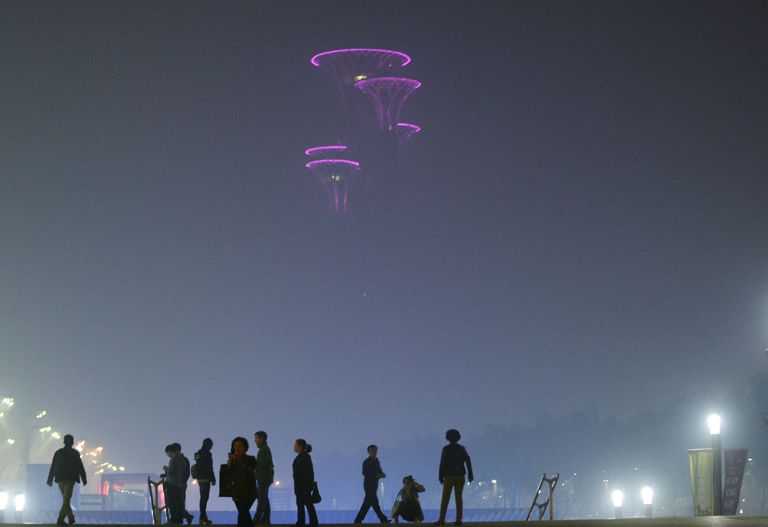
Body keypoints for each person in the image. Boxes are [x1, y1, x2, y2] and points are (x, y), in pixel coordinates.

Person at [434, 430, 473, 527]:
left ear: (448, 438)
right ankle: (458, 519)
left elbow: (442, 464)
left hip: (449, 476)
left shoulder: (446, 449)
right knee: (458, 498)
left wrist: (440, 476)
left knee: (445, 498)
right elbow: (468, 461)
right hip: (460, 475)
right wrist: (470, 474)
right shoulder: (462, 449)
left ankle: (442, 519)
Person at [46, 434, 87, 526]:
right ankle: (61, 519)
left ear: (64, 442)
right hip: (70, 479)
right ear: (72, 443)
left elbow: (53, 466)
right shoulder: (75, 453)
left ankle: (70, 517)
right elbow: (80, 467)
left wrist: (50, 479)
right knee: (66, 499)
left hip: (60, 478)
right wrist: (84, 479)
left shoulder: (58, 453)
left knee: (66, 499)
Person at [354, 445, 391, 524]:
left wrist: (381, 474)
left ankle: (358, 520)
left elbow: (379, 470)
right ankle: (382, 519)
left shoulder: (377, 461)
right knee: (374, 502)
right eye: (372, 451)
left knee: (367, 503)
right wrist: (376, 475)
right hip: (368, 484)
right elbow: (365, 473)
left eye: (375, 450)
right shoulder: (366, 462)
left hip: (374, 485)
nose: (374, 452)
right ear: (369, 452)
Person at [228, 437, 258, 527]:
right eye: (235, 446)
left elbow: (250, 471)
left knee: (242, 513)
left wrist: (239, 459)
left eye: (239, 446)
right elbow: (228, 473)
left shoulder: (251, 459)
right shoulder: (233, 461)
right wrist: (230, 460)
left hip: (249, 491)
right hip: (237, 492)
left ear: (245, 448)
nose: (237, 448)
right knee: (244, 515)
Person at [292, 439, 318, 527]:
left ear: (300, 447)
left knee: (301, 504)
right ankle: (313, 521)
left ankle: (301, 522)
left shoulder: (300, 458)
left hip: (301, 485)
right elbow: (310, 471)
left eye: (296, 445)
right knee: (308, 503)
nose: (294, 447)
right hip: (306, 485)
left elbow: (302, 472)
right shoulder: (306, 457)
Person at [252, 431, 274, 525]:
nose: (255, 440)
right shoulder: (264, 449)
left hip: (263, 477)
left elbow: (262, 464)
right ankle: (265, 518)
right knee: (264, 497)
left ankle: (258, 516)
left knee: (261, 497)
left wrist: (254, 467)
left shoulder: (264, 450)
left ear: (261, 439)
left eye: (256, 438)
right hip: (265, 477)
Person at [194, 438, 216, 525]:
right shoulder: (207, 454)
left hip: (199, 478)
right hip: (206, 478)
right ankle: (202, 516)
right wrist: (213, 479)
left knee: (202, 497)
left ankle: (202, 516)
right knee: (205, 497)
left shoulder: (198, 453)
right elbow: (210, 467)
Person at [164, 444, 186, 524]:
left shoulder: (174, 459)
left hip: (172, 484)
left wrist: (166, 469)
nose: (167, 455)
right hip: (178, 483)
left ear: (170, 452)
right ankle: (179, 520)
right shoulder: (182, 459)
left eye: (167, 453)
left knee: (172, 502)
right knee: (178, 502)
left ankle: (173, 519)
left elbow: (171, 471)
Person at [177, 443, 195, 525]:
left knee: (178, 502)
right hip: (182, 483)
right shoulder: (185, 459)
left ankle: (183, 517)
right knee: (180, 502)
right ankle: (185, 517)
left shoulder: (180, 460)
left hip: (180, 484)